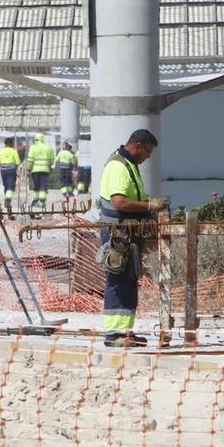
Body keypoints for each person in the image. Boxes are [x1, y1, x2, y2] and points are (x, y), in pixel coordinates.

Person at [97, 128, 169, 348]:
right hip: (117, 233)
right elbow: (119, 202)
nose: (147, 157)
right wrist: (149, 206)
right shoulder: (118, 166)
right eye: (147, 152)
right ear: (138, 145)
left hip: (127, 233)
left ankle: (125, 331)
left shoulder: (129, 165)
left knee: (128, 280)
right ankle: (114, 334)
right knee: (118, 280)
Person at [26, 133, 55, 210]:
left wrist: (28, 169)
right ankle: (42, 201)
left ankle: (36, 199)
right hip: (45, 170)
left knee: (37, 186)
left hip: (35, 170)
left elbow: (30, 160)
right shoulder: (48, 148)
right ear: (43, 139)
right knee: (43, 186)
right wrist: (49, 165)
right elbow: (52, 160)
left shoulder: (33, 148)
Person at [0, 137, 22, 210]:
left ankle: (7, 199)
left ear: (5, 144)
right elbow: (17, 163)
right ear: (11, 143)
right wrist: (17, 171)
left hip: (3, 171)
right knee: (10, 187)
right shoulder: (13, 151)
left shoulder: (0, 152)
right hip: (11, 171)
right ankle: (8, 199)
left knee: (6, 186)